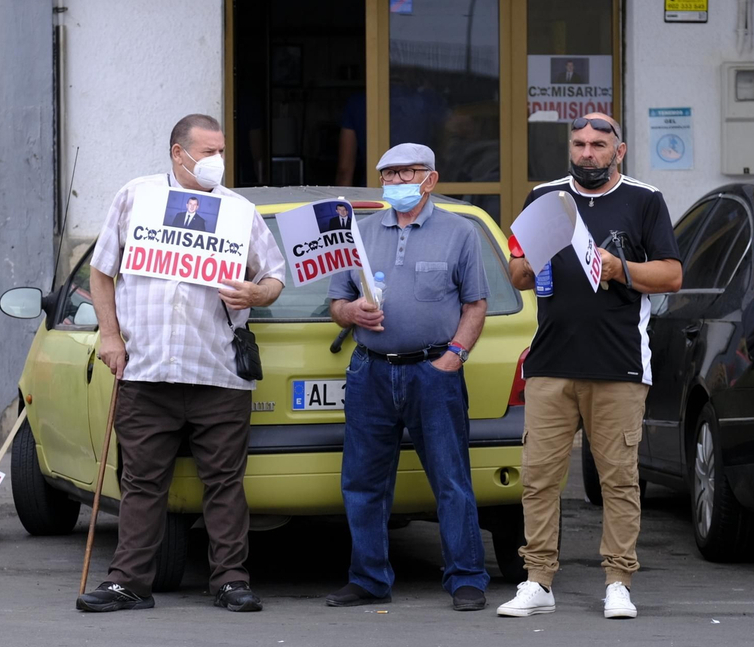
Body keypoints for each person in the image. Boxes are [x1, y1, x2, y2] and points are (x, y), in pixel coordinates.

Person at [76, 114, 286, 614]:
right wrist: (110, 336)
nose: (217, 160)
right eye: (208, 151)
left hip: (218, 373)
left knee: (225, 484)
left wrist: (257, 293)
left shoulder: (238, 211)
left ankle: (231, 581)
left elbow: (275, 275)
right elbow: (101, 272)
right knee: (141, 484)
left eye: (222, 151)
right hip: (146, 371)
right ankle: (129, 582)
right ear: (178, 153)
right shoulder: (136, 197)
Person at [498, 113, 682, 621]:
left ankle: (618, 582)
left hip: (619, 364)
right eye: (579, 144)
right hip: (550, 363)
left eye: (598, 145)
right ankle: (538, 580)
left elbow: (671, 275)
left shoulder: (645, 200)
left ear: (618, 151)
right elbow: (517, 273)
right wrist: (529, 263)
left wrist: (620, 269)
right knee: (539, 478)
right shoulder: (545, 197)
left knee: (618, 480)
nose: (586, 153)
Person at [325, 143, 491, 611]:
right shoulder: (357, 233)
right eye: (389, 174)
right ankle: (368, 578)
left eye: (407, 173)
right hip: (371, 371)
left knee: (451, 480)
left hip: (432, 371)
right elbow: (336, 304)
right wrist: (351, 312)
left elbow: (476, 304)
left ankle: (466, 578)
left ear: (430, 179)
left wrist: (454, 357)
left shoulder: (460, 232)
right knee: (363, 482)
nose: (396, 182)